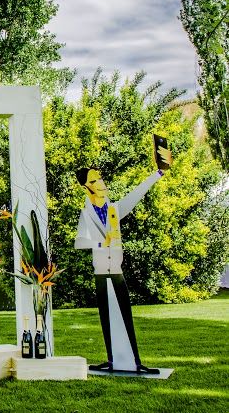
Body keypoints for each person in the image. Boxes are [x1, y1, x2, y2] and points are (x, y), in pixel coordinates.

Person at [75, 152, 170, 375]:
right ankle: (112, 359)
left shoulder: (114, 210)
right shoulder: (86, 215)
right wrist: (101, 243)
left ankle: (135, 361)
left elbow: (136, 194)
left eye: (100, 178)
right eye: (94, 180)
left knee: (125, 316)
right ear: (86, 187)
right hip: (101, 274)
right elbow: (79, 242)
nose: (100, 182)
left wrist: (158, 173)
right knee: (106, 319)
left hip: (116, 272)